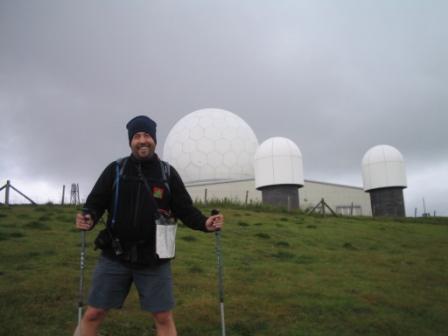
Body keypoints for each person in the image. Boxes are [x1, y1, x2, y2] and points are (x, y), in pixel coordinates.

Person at [74, 115, 224, 336]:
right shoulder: (116, 170)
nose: (142, 140)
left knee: (163, 317)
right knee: (93, 313)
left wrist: (205, 223)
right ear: (130, 142)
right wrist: (88, 216)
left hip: (154, 258)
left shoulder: (167, 174)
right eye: (137, 136)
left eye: (146, 135)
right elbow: (95, 203)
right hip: (115, 255)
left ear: (154, 139)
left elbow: (185, 209)